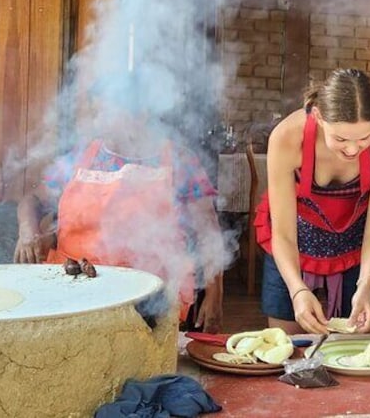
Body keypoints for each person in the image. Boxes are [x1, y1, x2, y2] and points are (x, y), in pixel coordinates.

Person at [14, 72, 225, 333]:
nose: (97, 121)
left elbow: (208, 231)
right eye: (96, 111)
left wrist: (215, 294)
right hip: (74, 291)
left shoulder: (178, 160)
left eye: (106, 111)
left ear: (141, 112)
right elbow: (33, 200)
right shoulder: (83, 156)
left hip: (151, 299)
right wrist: (28, 231)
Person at [256, 68, 370, 335]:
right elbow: (283, 234)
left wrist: (366, 284)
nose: (351, 149)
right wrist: (297, 290)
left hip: (354, 246)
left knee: (357, 343)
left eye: (364, 139)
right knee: (286, 346)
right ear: (319, 117)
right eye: (340, 139)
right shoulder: (288, 137)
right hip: (293, 242)